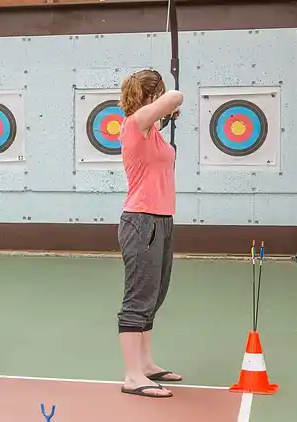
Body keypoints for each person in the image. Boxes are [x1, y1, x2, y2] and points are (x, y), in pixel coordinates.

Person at [116, 69, 184, 398]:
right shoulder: (134, 123)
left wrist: (164, 111)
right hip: (141, 221)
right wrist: (165, 100)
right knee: (138, 298)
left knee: (155, 296)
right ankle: (132, 376)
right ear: (151, 97)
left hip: (161, 219)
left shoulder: (151, 128)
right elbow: (176, 97)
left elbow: (168, 107)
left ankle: (145, 364)